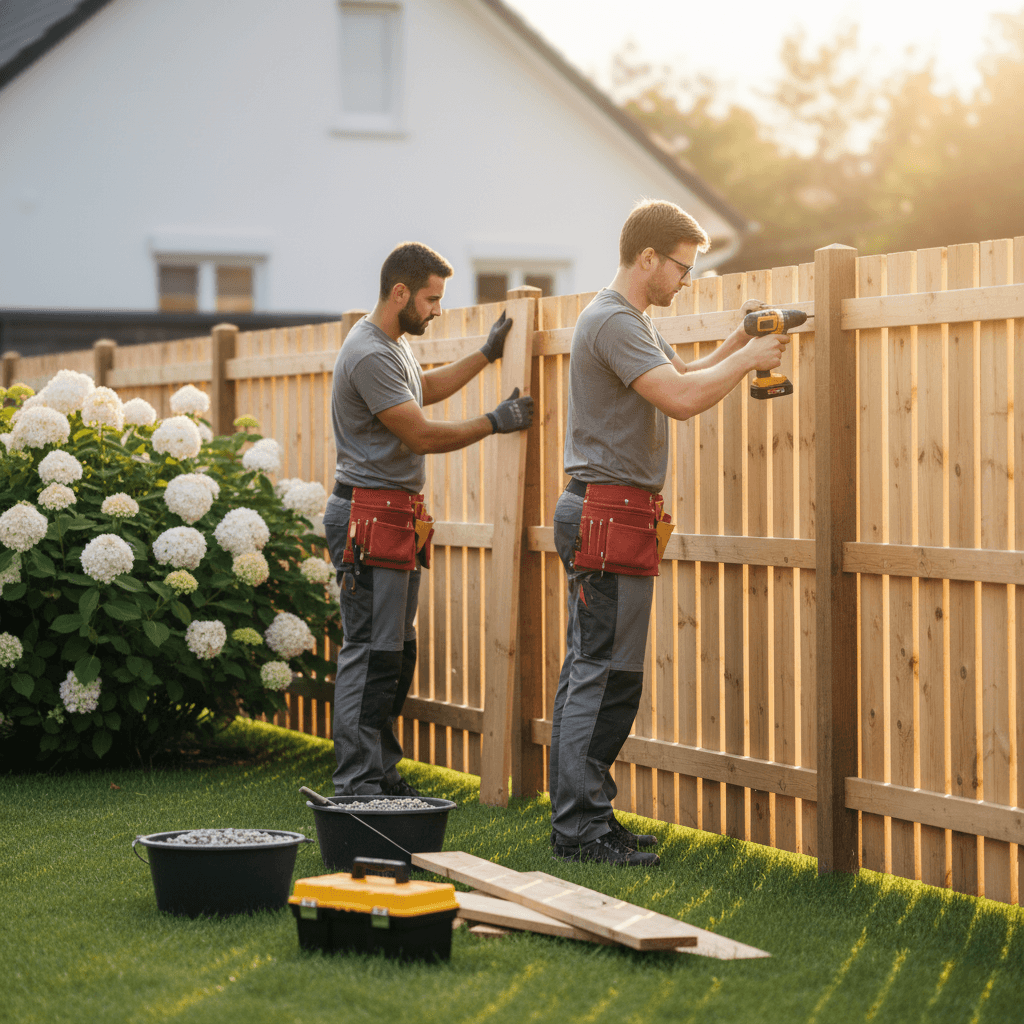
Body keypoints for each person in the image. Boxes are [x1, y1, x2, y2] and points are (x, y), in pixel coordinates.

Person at [549, 200, 789, 865]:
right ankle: (580, 831)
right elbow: (683, 402)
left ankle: (587, 817)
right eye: (681, 267)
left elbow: (682, 377)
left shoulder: (634, 325)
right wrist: (751, 362)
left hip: (613, 513)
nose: (686, 279)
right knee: (604, 678)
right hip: (607, 515)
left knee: (593, 675)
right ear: (647, 257)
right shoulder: (613, 321)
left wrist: (741, 343)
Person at [324, 241, 534, 796]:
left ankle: (379, 774)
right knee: (370, 654)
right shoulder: (370, 352)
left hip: (391, 515)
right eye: (431, 299)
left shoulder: (392, 347)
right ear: (400, 293)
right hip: (368, 517)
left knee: (392, 653)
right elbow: (418, 432)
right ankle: (357, 781)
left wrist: (486, 355)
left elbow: (423, 391)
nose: (438, 309)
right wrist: (495, 421)